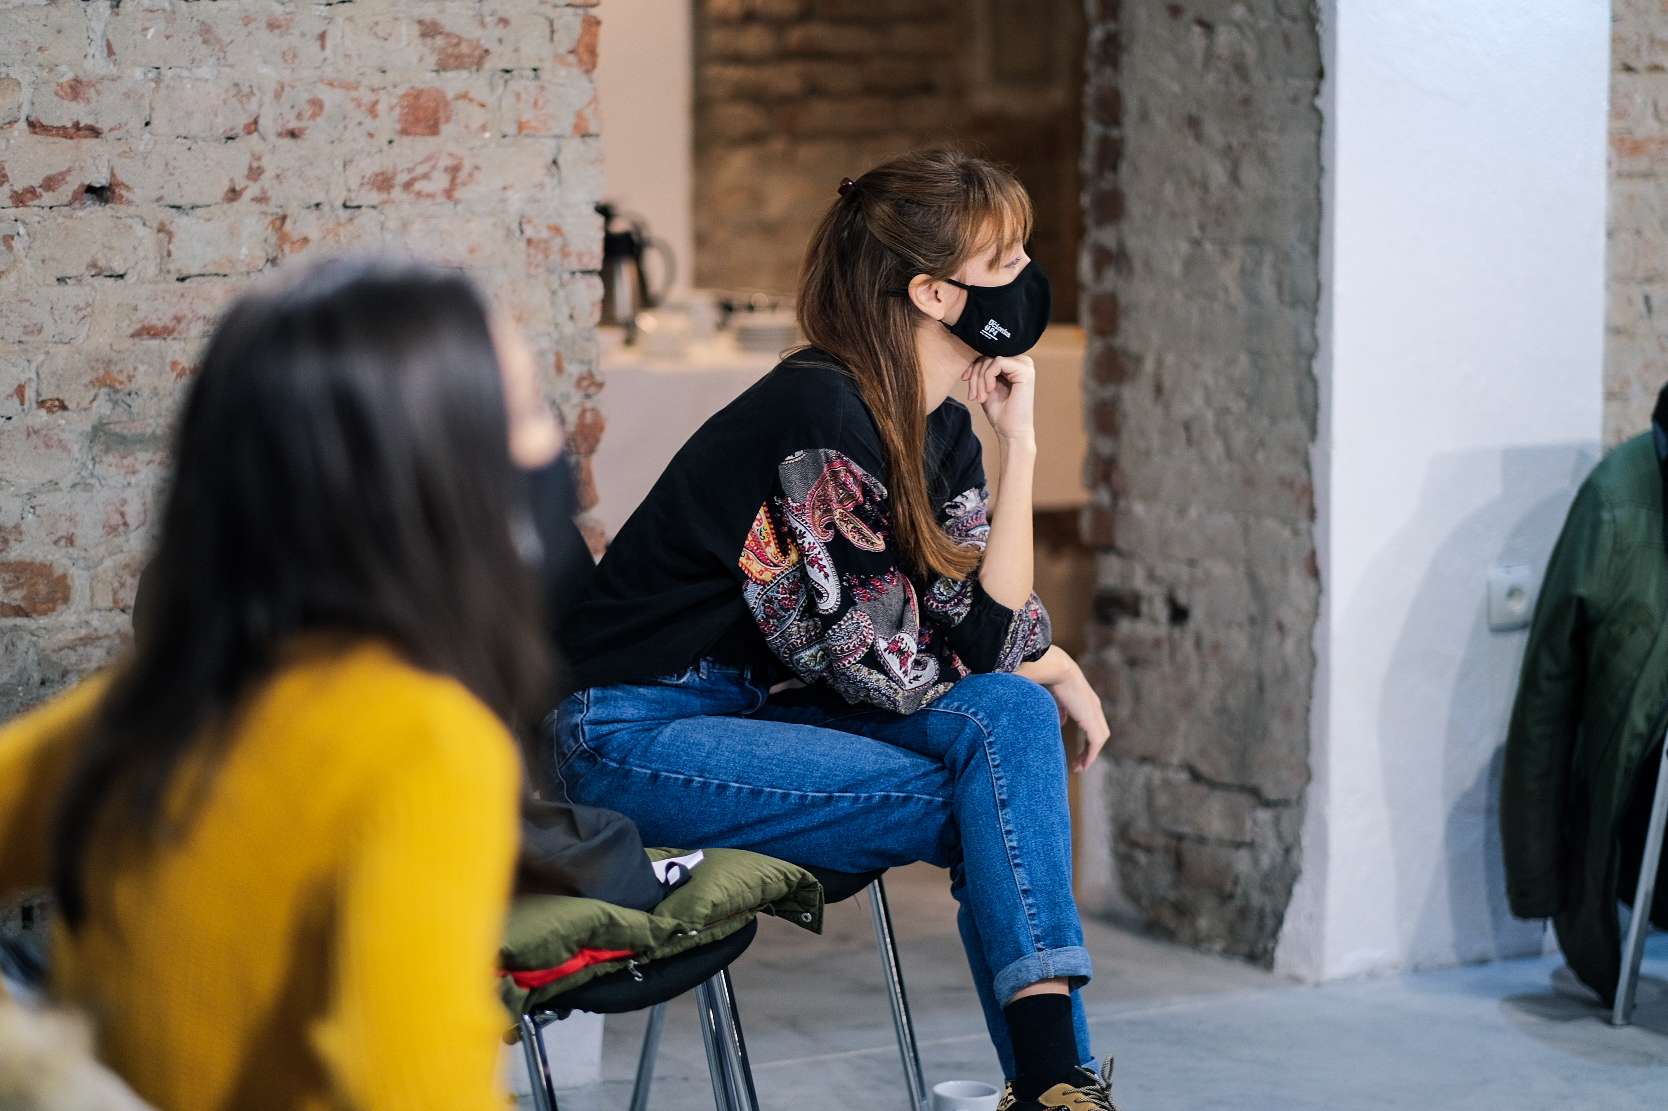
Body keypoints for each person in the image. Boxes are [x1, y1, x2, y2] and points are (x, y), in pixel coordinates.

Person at [555, 150, 1119, 1110]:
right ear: (933, 294)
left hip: (744, 714)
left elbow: (986, 638)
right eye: (1006, 259)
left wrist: (1018, 445)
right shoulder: (819, 414)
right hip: (626, 735)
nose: (1030, 275)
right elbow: (893, 671)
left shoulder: (941, 424)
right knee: (996, 792)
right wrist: (1046, 663)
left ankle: (1053, 1087)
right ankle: (1052, 1085)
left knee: (1011, 722)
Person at [0, 258, 563, 1110]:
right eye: (521, 410)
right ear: (429, 475)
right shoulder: (429, 745)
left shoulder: (152, 701)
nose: (551, 445)